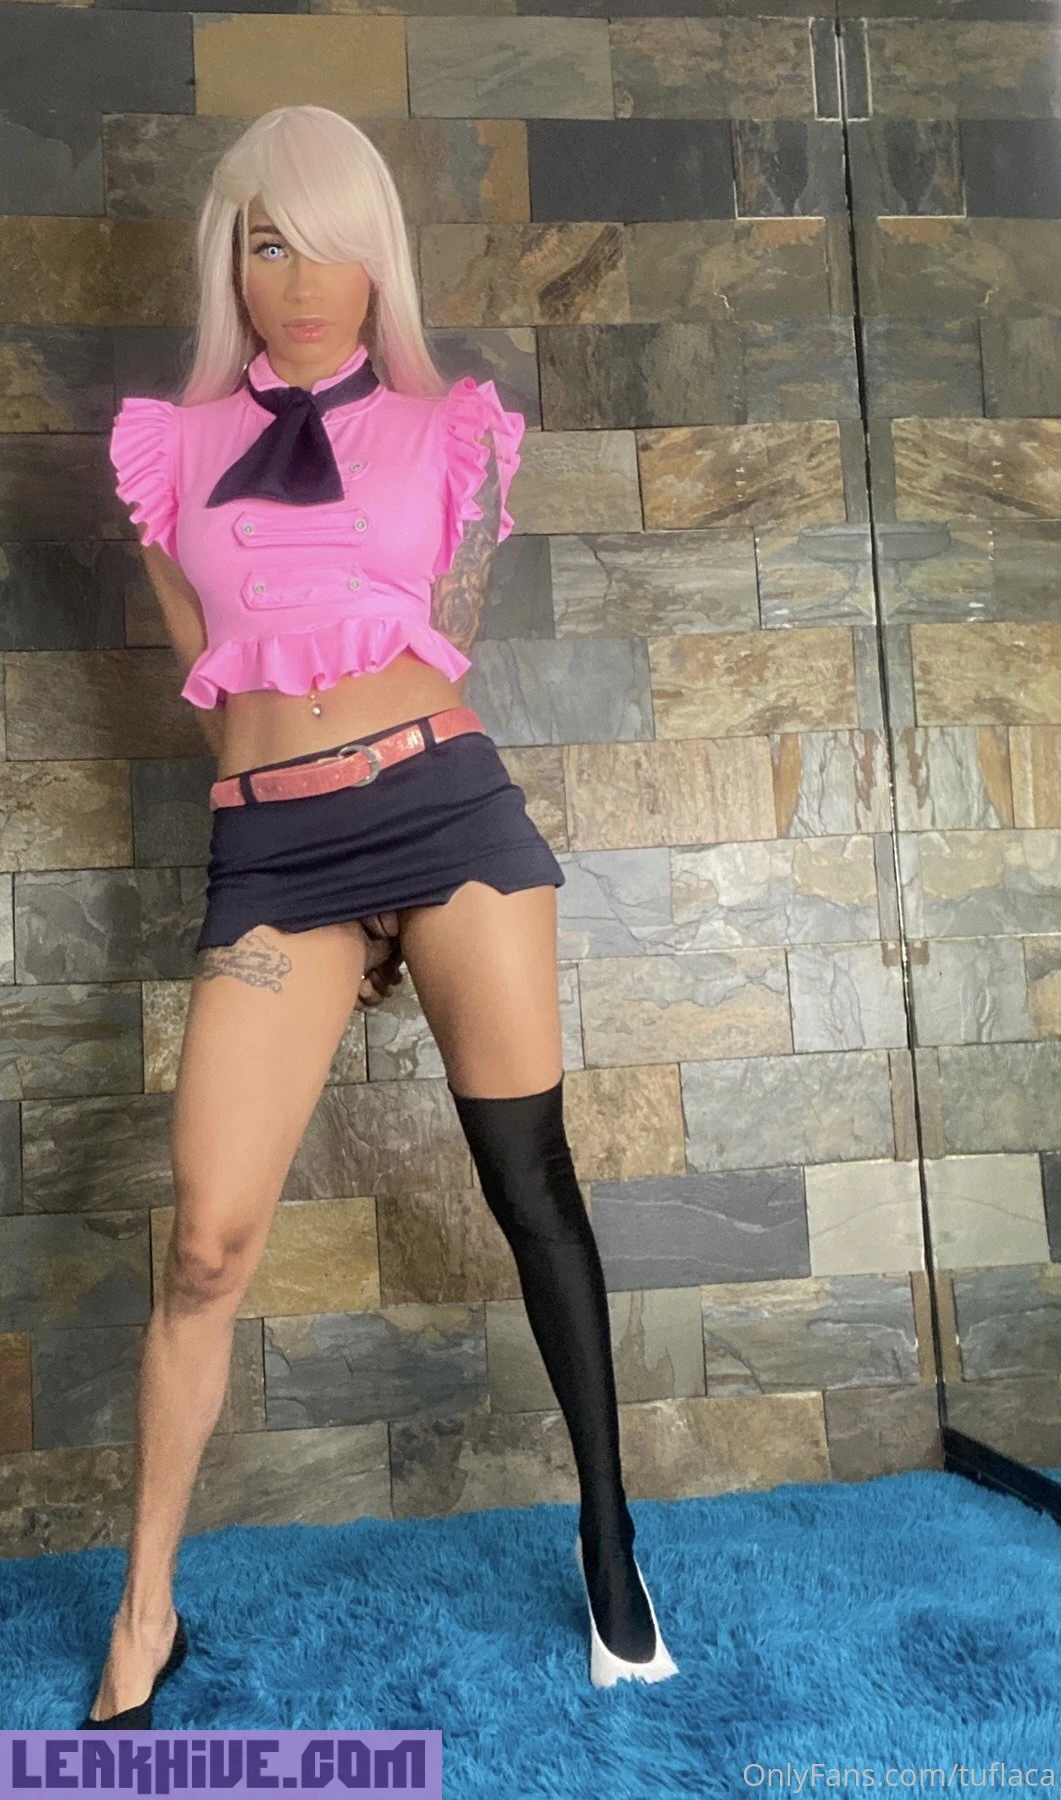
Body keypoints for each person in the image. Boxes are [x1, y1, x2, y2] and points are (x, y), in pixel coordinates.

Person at [80, 103, 677, 1729]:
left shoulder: (450, 432)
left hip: (444, 813)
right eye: (267, 243)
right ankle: (146, 1610)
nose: (299, 280)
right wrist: (315, 900)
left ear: (378, 260)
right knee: (207, 1240)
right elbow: (216, 689)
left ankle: (609, 1541)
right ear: (229, 260)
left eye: (330, 244)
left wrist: (413, 905)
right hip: (277, 858)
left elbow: (445, 637)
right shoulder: (164, 451)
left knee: (529, 1183)